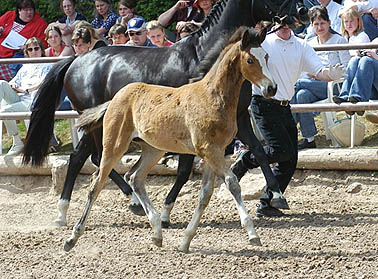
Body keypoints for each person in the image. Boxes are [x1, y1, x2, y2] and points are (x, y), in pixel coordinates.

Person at [230, 16, 346, 218]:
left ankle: (267, 203)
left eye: (288, 22)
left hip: (285, 106)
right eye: (280, 22)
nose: (284, 25)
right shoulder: (264, 42)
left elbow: (319, 71)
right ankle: (246, 161)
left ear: (295, 23)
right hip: (263, 103)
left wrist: (332, 74)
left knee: (290, 158)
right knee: (279, 150)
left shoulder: (301, 45)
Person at [291, 6, 350, 150]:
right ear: (311, 26)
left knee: (297, 85)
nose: (319, 27)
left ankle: (289, 131)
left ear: (329, 23)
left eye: (322, 23)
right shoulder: (309, 43)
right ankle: (309, 139)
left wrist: (327, 75)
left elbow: (347, 70)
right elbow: (304, 68)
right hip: (311, 84)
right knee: (301, 95)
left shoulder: (339, 41)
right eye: (316, 24)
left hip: (334, 86)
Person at [0, 37, 52, 155]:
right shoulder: (26, 66)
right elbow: (14, 81)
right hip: (20, 96)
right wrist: (13, 84)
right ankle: (16, 141)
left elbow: (43, 85)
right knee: (2, 83)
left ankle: (17, 142)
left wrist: (26, 90)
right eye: (30, 49)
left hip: (33, 100)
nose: (33, 51)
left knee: (4, 111)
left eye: (36, 48)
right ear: (27, 52)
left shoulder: (47, 65)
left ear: (41, 50)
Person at [0, 0, 48, 75]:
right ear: (19, 11)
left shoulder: (41, 24)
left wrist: (28, 46)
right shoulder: (9, 15)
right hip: (2, 48)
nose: (29, 13)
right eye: (26, 10)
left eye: (31, 10)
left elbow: (44, 44)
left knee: (18, 61)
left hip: (18, 54)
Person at [333, 37, 378, 115]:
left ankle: (359, 100)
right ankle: (345, 97)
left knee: (367, 60)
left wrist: (376, 57)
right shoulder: (375, 40)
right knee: (354, 60)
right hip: (372, 89)